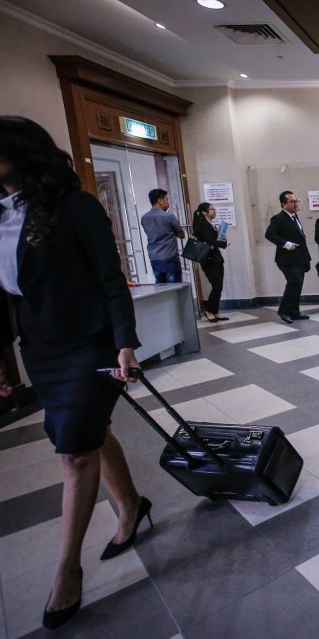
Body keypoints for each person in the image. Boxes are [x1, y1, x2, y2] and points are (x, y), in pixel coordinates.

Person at [0, 116, 153, 630]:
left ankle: (67, 571)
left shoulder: (75, 206)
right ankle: (131, 505)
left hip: (87, 343)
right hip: (39, 347)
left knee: (74, 452)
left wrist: (126, 341)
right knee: (91, 434)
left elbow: (111, 278)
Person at [265, 190, 312, 324]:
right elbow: (269, 235)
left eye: (296, 201)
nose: (296, 203)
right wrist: (286, 244)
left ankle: (294, 311)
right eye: (292, 201)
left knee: (298, 285)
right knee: (293, 283)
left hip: (299, 258)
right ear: (284, 205)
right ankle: (283, 311)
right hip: (287, 259)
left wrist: (306, 258)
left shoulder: (294, 216)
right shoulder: (279, 218)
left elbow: (301, 238)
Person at [192, 202, 229, 323]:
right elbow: (211, 241)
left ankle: (215, 311)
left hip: (216, 258)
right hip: (209, 260)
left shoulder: (209, 224)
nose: (214, 211)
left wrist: (221, 238)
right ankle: (209, 311)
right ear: (204, 212)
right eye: (211, 209)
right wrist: (224, 243)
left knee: (219, 286)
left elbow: (215, 240)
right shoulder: (202, 226)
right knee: (216, 285)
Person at [139, 188, 184, 283]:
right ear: (160, 201)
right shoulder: (168, 216)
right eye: (166, 200)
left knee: (161, 286)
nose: (168, 203)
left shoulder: (144, 218)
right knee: (175, 287)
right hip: (170, 256)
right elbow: (181, 234)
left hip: (154, 258)